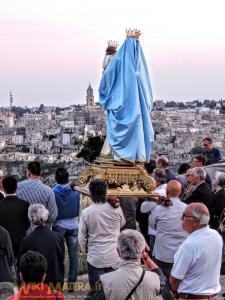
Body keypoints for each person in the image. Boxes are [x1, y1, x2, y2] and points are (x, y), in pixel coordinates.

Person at [99, 29, 154, 162]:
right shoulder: (123, 68)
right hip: (123, 105)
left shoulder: (124, 68)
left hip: (124, 105)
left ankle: (125, 154)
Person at [78, 179, 125, 291]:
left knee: (97, 292)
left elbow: (82, 237)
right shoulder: (116, 209)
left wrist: (86, 250)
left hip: (95, 257)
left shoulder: (87, 212)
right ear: (105, 192)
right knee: (114, 292)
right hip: (114, 256)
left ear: (91, 194)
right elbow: (122, 223)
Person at [170, 203, 222, 300]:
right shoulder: (216, 236)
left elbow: (175, 279)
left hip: (193, 296)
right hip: (213, 296)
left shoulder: (189, 245)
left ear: (196, 222)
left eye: (184, 216)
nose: (181, 219)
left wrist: (173, 291)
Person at [97, 230, 160, 300]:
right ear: (143, 252)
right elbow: (164, 285)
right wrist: (146, 257)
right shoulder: (155, 279)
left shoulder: (104, 281)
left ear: (118, 251)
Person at [19, 204, 65, 289]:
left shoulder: (26, 241)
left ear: (30, 220)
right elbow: (61, 257)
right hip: (56, 281)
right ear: (46, 217)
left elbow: (22, 264)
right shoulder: (58, 237)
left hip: (35, 283)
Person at [149, 180, 187, 280]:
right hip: (181, 252)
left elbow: (152, 225)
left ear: (167, 192)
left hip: (163, 253)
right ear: (180, 192)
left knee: (164, 282)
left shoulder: (159, 209)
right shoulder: (186, 208)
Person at [52, 167, 80, 290]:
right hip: (73, 225)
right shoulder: (75, 191)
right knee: (73, 255)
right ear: (68, 178)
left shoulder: (53, 191)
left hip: (59, 225)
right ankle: (71, 283)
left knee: (59, 255)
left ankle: (59, 283)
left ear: (56, 178)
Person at [17, 161, 58, 229]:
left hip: (23, 232)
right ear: (40, 172)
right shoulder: (48, 191)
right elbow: (53, 216)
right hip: (42, 232)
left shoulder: (18, 187)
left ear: (28, 172)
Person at [0, 176, 30, 258]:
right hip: (20, 240)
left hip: (4, 243)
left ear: (3, 188)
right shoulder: (24, 204)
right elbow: (28, 224)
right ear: (16, 187)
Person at [140, 168, 167, 252]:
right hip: (160, 229)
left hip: (156, 230)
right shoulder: (166, 188)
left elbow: (143, 209)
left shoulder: (158, 193)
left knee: (155, 255)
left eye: (151, 178)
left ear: (157, 180)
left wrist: (146, 200)